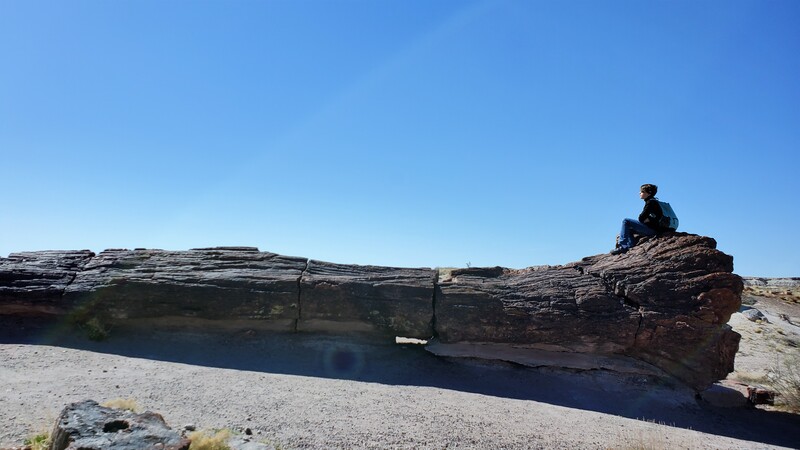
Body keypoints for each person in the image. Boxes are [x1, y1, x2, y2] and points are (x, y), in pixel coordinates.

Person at [611, 184, 664, 255]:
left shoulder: (650, 202)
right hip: (656, 229)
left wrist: (647, 219)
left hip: (652, 230)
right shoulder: (655, 201)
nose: (639, 193)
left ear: (649, 193)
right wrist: (648, 219)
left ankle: (623, 246)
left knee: (626, 221)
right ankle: (630, 247)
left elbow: (641, 218)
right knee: (629, 230)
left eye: (642, 191)